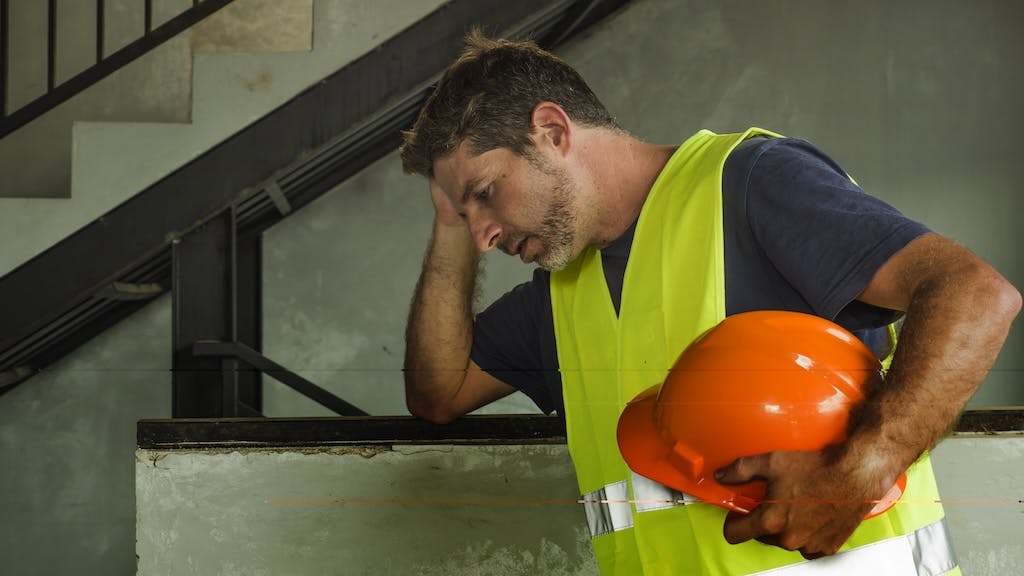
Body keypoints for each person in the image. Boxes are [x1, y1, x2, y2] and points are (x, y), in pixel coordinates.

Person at [398, 31, 1020, 576]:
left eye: (484, 193)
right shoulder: (560, 298)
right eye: (463, 213)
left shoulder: (749, 184)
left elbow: (974, 292)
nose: (482, 233)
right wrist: (449, 222)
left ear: (554, 132)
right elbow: (439, 390)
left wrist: (866, 467)